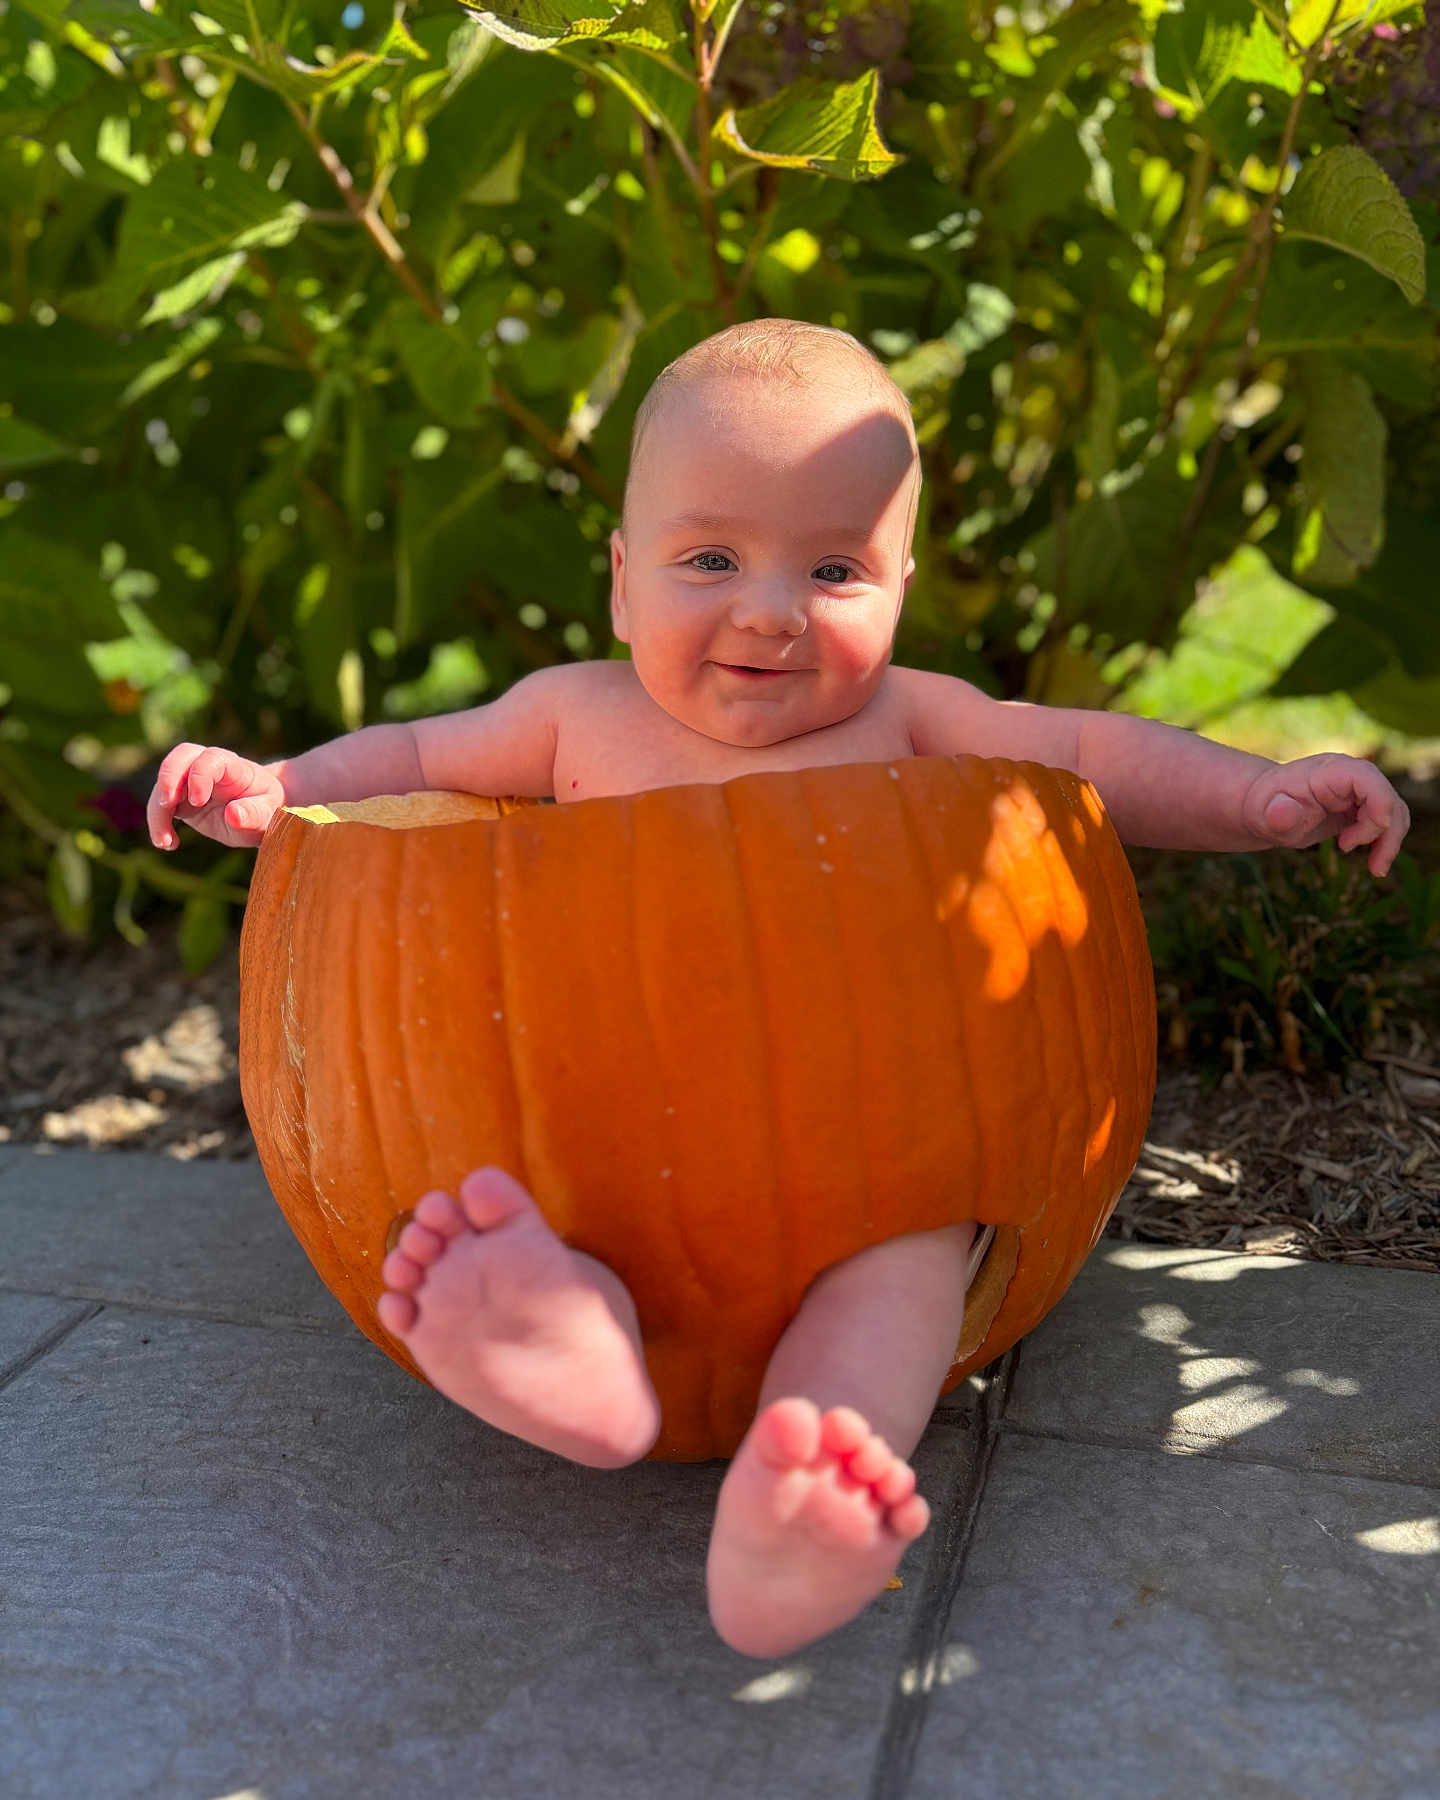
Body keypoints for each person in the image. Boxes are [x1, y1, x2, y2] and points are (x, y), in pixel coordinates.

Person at [147, 318, 1411, 1659]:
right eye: (711, 559)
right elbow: (410, 753)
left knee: (913, 1271)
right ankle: (568, 1347)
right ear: (625, 583)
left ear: (900, 581)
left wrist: (1255, 796)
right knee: (560, 1219)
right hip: (601, 1160)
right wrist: (281, 791)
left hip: (881, 1167)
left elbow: (1089, 752)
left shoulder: (914, 720)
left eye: (833, 567)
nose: (769, 608)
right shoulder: (575, 713)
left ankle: (809, 1494)